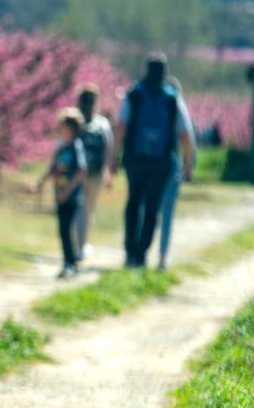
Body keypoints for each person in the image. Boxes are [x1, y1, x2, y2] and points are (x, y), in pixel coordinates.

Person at [111, 54, 195, 268]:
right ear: (165, 72)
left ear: (146, 69)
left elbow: (120, 127)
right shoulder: (172, 97)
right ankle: (141, 254)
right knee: (152, 208)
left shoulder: (134, 94)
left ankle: (130, 252)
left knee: (133, 203)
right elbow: (185, 133)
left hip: (135, 159)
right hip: (161, 161)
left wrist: (113, 157)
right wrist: (188, 163)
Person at [36, 108, 88, 278]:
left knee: (66, 229)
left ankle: (70, 263)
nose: (60, 129)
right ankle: (69, 261)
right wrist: (41, 182)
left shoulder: (76, 147)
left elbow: (81, 170)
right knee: (62, 229)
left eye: (63, 126)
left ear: (72, 128)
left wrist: (68, 190)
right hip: (60, 196)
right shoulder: (61, 148)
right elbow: (53, 168)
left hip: (71, 197)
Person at [156, 78, 196, 270]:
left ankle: (140, 253)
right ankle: (162, 257)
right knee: (167, 214)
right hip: (172, 166)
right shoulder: (177, 106)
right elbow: (187, 138)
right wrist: (188, 166)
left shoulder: (153, 104)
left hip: (150, 166)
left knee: (149, 211)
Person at [72, 84, 113, 260]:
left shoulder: (74, 121)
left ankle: (77, 245)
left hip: (76, 174)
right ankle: (82, 245)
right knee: (89, 211)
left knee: (78, 210)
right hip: (95, 174)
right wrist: (108, 173)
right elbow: (109, 149)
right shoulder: (102, 124)